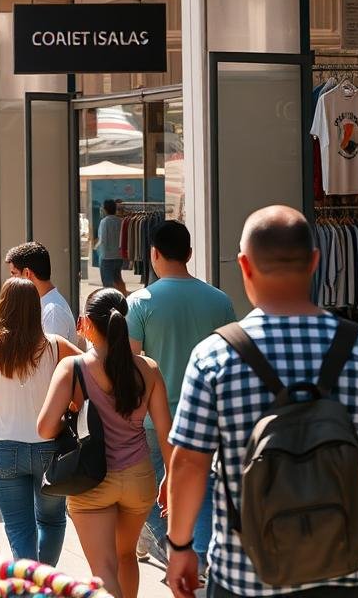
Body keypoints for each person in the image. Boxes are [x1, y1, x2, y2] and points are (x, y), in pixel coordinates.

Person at [165, 205, 358, 598]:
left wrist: (180, 546)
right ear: (316, 262)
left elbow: (187, 463)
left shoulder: (214, 356)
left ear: (244, 265)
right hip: (343, 567)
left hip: (245, 571)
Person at [37, 288, 172, 598]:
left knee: (103, 569)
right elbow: (167, 435)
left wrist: (73, 415)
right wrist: (169, 479)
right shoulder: (148, 368)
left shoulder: (73, 368)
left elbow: (45, 428)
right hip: (139, 478)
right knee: (126, 556)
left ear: (84, 323)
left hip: (91, 479)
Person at [123, 220, 235, 565]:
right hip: (207, 416)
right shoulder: (220, 300)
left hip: (156, 420)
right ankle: (197, 557)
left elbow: (131, 363)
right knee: (200, 486)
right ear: (189, 253)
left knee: (153, 493)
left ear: (153, 254)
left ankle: (175, 551)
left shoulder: (139, 302)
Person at [0, 278, 79, 563]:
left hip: (6, 448)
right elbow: (91, 370)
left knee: (19, 526)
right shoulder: (56, 346)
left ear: (2, 305)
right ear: (35, 307)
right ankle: (44, 584)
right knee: (52, 520)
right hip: (50, 447)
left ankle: (28, 585)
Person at [5, 241, 76, 344]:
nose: (11, 279)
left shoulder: (53, 311)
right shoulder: (44, 304)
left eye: (14, 273)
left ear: (27, 273)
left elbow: (52, 357)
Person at [95, 200, 125, 294]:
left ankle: (111, 302)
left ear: (105, 209)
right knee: (118, 279)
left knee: (108, 283)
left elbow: (103, 239)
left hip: (107, 257)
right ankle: (124, 298)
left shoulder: (104, 222)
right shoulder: (120, 221)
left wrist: (96, 246)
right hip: (118, 256)